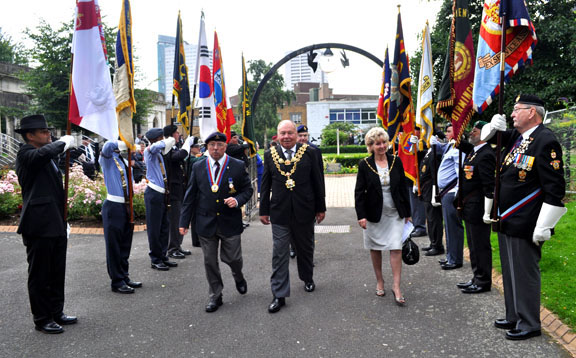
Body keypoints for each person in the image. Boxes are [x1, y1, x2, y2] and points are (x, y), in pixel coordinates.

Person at [481, 94, 567, 340]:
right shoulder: (520, 138)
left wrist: (545, 225)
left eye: (517, 109)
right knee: (509, 272)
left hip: (526, 220)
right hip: (507, 218)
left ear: (532, 112)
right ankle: (513, 315)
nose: (512, 114)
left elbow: (554, 188)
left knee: (525, 273)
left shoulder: (544, 140)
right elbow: (490, 138)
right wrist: (492, 125)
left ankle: (529, 322)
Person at [15, 114, 78, 334]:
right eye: (43, 132)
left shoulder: (47, 156)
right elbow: (42, 154)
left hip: (55, 221)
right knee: (40, 274)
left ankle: (56, 311)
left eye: (48, 130)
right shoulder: (26, 153)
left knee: (56, 271)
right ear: (29, 136)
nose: (48, 134)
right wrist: (62, 143)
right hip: (38, 224)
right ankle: (42, 318)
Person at [179, 132, 253, 312]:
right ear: (207, 147)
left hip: (230, 221)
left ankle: (238, 276)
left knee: (234, 258)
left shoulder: (236, 165)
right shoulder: (198, 166)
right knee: (210, 262)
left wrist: (237, 201)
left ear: (225, 147)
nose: (216, 149)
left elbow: (247, 189)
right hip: (205, 223)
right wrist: (183, 222)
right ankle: (215, 295)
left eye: (220, 145)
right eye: (212, 145)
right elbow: (190, 196)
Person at [260, 120, 326, 313]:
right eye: (283, 133)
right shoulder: (270, 155)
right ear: (277, 135)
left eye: (290, 133)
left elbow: (318, 182)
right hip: (279, 212)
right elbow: (265, 185)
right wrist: (264, 210)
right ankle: (279, 294)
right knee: (279, 253)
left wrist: (321, 208)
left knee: (305, 248)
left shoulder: (310, 153)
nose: (286, 137)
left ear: (297, 135)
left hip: (305, 210)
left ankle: (307, 277)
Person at [354, 127, 411, 305]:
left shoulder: (396, 161)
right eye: (377, 143)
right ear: (370, 146)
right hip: (373, 213)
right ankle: (380, 280)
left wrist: (408, 212)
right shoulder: (365, 164)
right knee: (376, 247)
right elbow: (359, 192)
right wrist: (361, 215)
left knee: (396, 247)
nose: (382, 146)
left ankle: (396, 286)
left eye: (384, 142)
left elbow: (403, 187)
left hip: (395, 212)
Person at [455, 121, 495, 294]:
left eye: (475, 130)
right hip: (469, 207)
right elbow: (458, 141)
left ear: (484, 133)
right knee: (472, 245)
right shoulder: (474, 152)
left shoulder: (486, 154)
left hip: (479, 208)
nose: (471, 133)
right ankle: (476, 276)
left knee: (480, 246)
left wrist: (488, 211)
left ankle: (483, 280)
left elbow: (488, 185)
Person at [99, 139, 142, 294]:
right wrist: (122, 142)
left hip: (126, 205)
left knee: (125, 244)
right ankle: (116, 281)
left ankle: (124, 275)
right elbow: (107, 147)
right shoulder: (107, 159)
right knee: (114, 246)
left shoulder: (121, 159)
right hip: (114, 206)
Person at [144, 128, 178, 271]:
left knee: (164, 226)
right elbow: (157, 146)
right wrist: (169, 140)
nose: (163, 140)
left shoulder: (158, 154)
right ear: (155, 139)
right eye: (160, 138)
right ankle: (155, 258)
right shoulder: (150, 151)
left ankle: (163, 255)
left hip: (162, 193)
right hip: (153, 192)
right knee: (154, 228)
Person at [435, 124, 466, 270]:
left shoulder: (459, 149)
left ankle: (455, 259)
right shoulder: (450, 146)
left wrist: (458, 192)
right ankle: (450, 256)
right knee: (448, 227)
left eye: (449, 131)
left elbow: (460, 171)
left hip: (452, 192)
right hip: (445, 192)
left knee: (453, 227)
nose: (446, 134)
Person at [163, 124, 195, 260]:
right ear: (170, 135)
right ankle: (172, 248)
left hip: (180, 187)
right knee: (175, 219)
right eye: (176, 133)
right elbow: (179, 156)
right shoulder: (166, 148)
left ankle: (178, 245)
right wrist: (187, 144)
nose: (179, 135)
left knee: (181, 217)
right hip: (173, 190)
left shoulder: (174, 147)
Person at [418, 132, 445, 256]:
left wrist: (436, 191)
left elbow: (435, 175)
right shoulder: (429, 152)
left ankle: (437, 245)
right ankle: (432, 242)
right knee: (430, 218)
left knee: (435, 219)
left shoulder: (436, 153)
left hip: (431, 190)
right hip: (426, 190)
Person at [184, 138, 204, 248]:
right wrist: (206, 155)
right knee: (195, 216)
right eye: (197, 147)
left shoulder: (194, 158)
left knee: (197, 215)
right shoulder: (190, 159)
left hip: (195, 188)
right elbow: (199, 162)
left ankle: (197, 239)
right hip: (192, 188)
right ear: (191, 148)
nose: (199, 148)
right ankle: (196, 240)